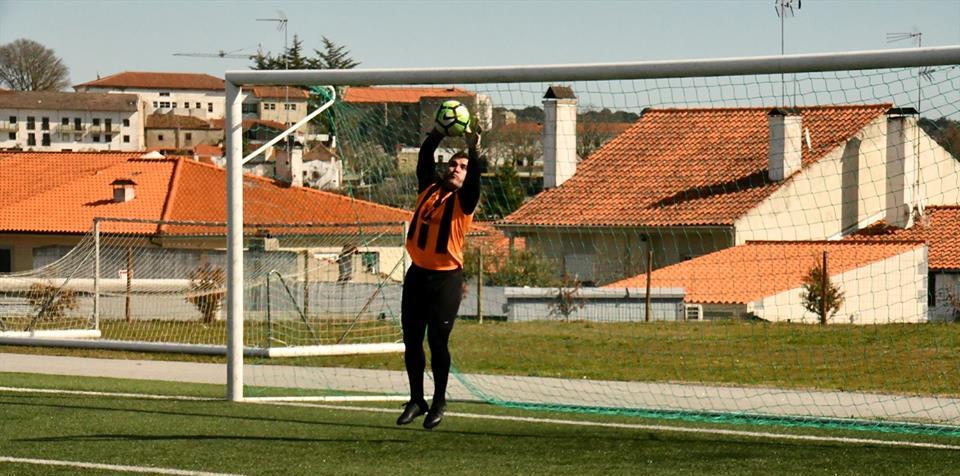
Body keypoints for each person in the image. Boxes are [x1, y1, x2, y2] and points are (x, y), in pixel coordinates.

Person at [396, 119, 481, 430]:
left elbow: (474, 181)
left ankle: (440, 400)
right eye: (453, 164)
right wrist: (438, 131)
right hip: (417, 275)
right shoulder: (429, 188)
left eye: (462, 166)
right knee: (411, 340)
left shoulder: (465, 200)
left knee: (438, 341)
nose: (455, 169)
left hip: (446, 279)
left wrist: (474, 147)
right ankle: (416, 400)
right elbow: (425, 156)